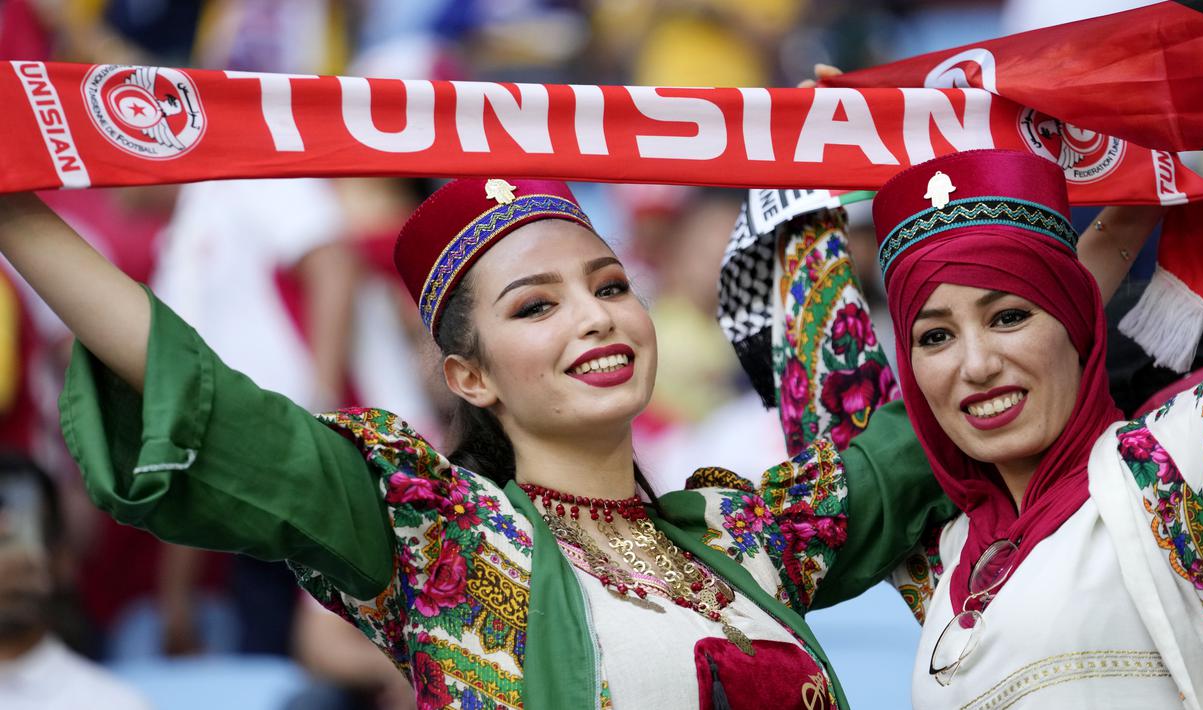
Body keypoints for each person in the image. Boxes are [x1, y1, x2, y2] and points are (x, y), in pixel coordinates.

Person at [0, 178, 956, 709]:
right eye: (537, 306)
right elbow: (205, 401)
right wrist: (13, 209)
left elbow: (936, 424)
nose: (595, 319)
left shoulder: (748, 536)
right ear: (469, 376)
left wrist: (829, 179)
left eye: (611, 286)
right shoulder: (430, 534)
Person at [808, 149, 1203, 707]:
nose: (976, 365)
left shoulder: (1179, 464)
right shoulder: (946, 555)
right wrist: (819, 152)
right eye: (935, 337)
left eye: (1009, 317)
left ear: (1080, 321)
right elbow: (808, 501)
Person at [0, 453, 151, 710]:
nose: (20, 560)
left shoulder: (112, 704)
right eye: (4, 542)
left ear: (60, 559)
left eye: (33, 537)